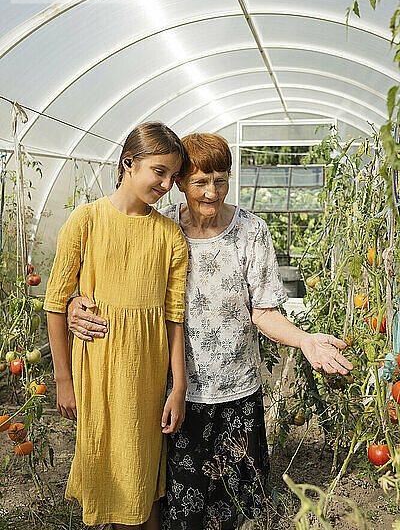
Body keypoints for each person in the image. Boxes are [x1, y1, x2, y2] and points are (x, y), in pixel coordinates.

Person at [67, 133, 353, 530]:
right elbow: (117, 277)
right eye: (200, 181)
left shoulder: (251, 230)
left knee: (241, 506)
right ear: (181, 182)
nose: (212, 191)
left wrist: (304, 339)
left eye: (221, 179)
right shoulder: (159, 225)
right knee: (181, 510)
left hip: (237, 389)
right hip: (171, 392)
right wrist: (72, 303)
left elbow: (264, 312)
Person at [44, 121, 190, 530]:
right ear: (129, 163)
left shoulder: (169, 235)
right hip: (98, 370)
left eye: (172, 176)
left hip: (146, 374)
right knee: (104, 465)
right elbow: (56, 303)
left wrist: (177, 387)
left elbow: (173, 317)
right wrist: (63, 380)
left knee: (142, 475)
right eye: (158, 171)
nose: (165, 184)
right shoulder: (85, 220)